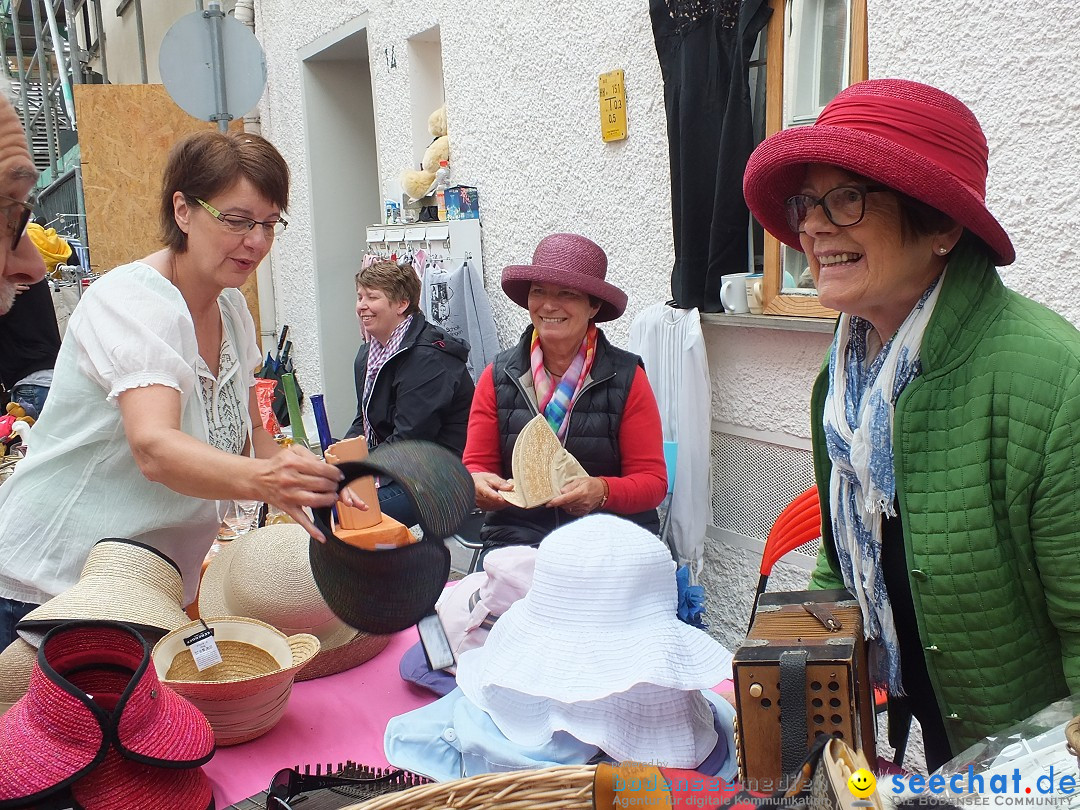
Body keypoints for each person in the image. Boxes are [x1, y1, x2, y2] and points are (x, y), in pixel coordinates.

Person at [743, 78, 1080, 770]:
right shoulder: (844, 383)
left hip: (1041, 768)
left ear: (943, 227)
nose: (811, 227)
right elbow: (842, 558)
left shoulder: (1051, 383)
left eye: (846, 199)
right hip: (937, 747)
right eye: (809, 203)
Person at [0, 130, 350, 651]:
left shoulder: (231, 309)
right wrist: (265, 479)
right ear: (182, 210)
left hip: (145, 590)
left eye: (269, 224)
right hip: (55, 585)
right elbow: (155, 447)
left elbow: (251, 426)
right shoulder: (134, 301)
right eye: (237, 220)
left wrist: (297, 475)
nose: (256, 240)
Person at [464, 232, 667, 550]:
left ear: (593, 306)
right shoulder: (498, 376)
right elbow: (476, 466)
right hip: (520, 538)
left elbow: (652, 483)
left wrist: (600, 491)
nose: (548, 305)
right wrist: (476, 484)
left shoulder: (627, 378)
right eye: (539, 291)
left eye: (567, 294)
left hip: (607, 539)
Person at [343, 259, 474, 526]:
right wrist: (338, 457)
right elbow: (363, 421)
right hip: (400, 468)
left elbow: (410, 438)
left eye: (372, 297)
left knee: (346, 512)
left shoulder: (428, 358)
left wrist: (353, 470)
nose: (361, 306)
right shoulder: (367, 355)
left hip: (440, 476)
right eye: (359, 296)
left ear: (402, 304)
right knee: (328, 498)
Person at [0, 278, 60, 418]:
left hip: (31, 382)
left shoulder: (10, 284)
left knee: (35, 438)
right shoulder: (28, 276)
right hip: (49, 375)